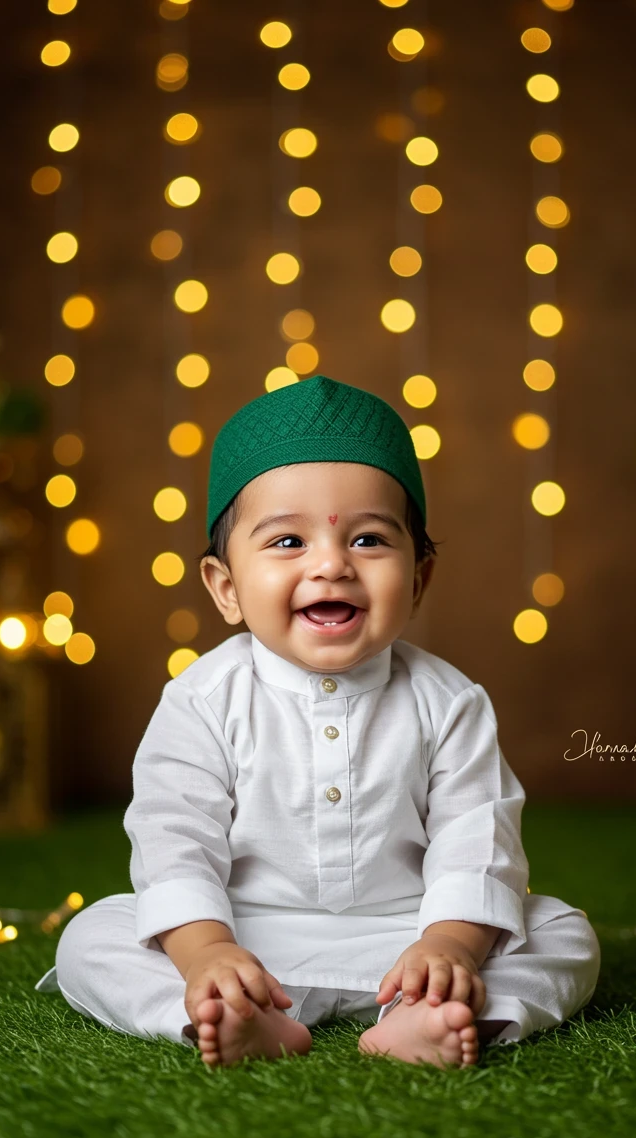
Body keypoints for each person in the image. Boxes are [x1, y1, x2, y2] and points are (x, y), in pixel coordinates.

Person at [35, 374, 600, 1069]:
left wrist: (450, 946)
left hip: (407, 942)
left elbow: (476, 839)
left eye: (368, 540)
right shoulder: (202, 699)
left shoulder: (448, 701)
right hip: (246, 940)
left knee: (562, 931)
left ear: (417, 580)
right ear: (225, 587)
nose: (331, 564)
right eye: (286, 542)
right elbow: (172, 838)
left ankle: (430, 1016)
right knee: (94, 935)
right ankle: (225, 1012)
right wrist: (207, 951)